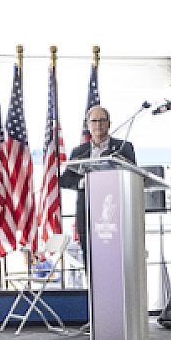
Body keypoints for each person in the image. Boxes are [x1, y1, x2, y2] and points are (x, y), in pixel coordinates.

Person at [59, 104, 137, 265]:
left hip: (115, 212)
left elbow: (133, 174)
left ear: (109, 123)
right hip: (87, 211)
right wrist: (83, 181)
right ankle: (93, 289)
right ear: (88, 125)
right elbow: (66, 180)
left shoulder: (124, 148)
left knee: (116, 258)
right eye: (94, 121)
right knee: (91, 259)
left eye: (102, 120)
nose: (98, 125)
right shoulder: (79, 152)